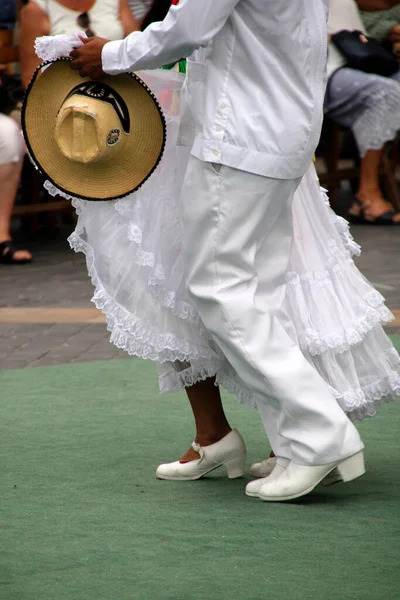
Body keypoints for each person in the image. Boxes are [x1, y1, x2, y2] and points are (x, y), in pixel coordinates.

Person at [60, 0, 394, 502]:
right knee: (257, 290)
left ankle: (320, 436)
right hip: (280, 130)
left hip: (240, 136)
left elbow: (189, 28)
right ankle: (294, 443)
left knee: (221, 291)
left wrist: (112, 53)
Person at [325, 0, 400, 224]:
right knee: (386, 94)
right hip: (325, 66)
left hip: (361, 56)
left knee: (391, 89)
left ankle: (376, 172)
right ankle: (367, 192)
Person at [19, 0, 139, 89]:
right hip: (65, 96)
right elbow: (31, 78)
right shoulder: (37, 8)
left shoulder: (117, 2)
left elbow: (136, 49)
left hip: (121, 89)